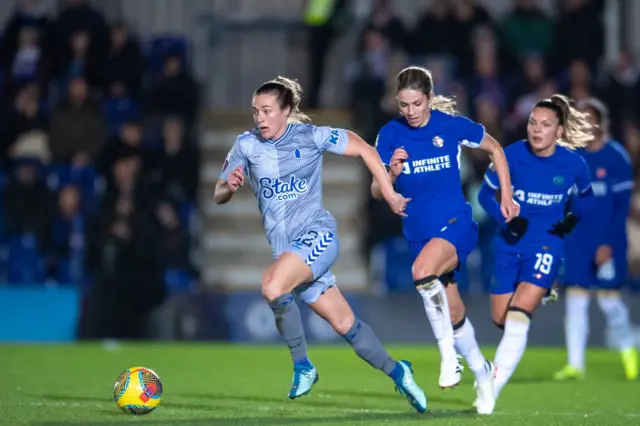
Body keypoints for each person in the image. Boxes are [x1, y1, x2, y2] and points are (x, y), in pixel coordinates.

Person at [214, 76, 427, 412]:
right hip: (290, 254)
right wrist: (230, 186)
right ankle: (399, 372)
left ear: (286, 111)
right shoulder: (246, 145)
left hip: (318, 236)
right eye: (256, 111)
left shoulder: (310, 136)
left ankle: (303, 367)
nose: (260, 118)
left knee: (271, 284)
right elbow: (219, 192)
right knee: (345, 325)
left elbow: (365, 149)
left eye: (267, 111)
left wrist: (389, 194)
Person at [371, 66, 519, 415]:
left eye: (417, 103)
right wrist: (390, 173)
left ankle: (448, 357)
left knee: (422, 271)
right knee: (453, 312)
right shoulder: (389, 135)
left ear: (429, 98)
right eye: (404, 104)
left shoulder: (449, 126)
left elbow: (497, 149)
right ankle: (483, 373)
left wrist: (507, 196)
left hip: (455, 224)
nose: (410, 112)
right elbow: (377, 191)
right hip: (418, 234)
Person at [478, 94, 594, 402]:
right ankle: (541, 294)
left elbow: (586, 198)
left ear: (559, 131)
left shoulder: (573, 164)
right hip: (508, 245)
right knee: (501, 320)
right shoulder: (510, 156)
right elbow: (484, 196)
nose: (536, 130)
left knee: (517, 318)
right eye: (532, 122)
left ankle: (489, 393)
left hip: (546, 245)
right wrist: (506, 221)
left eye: (545, 125)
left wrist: (572, 219)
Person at [553, 97, 637, 381]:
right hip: (578, 240)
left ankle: (627, 349)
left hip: (608, 241)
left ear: (602, 122)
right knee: (575, 300)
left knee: (608, 301)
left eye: (591, 119)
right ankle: (575, 364)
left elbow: (621, 208)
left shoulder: (617, 158)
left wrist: (608, 244)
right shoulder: (575, 157)